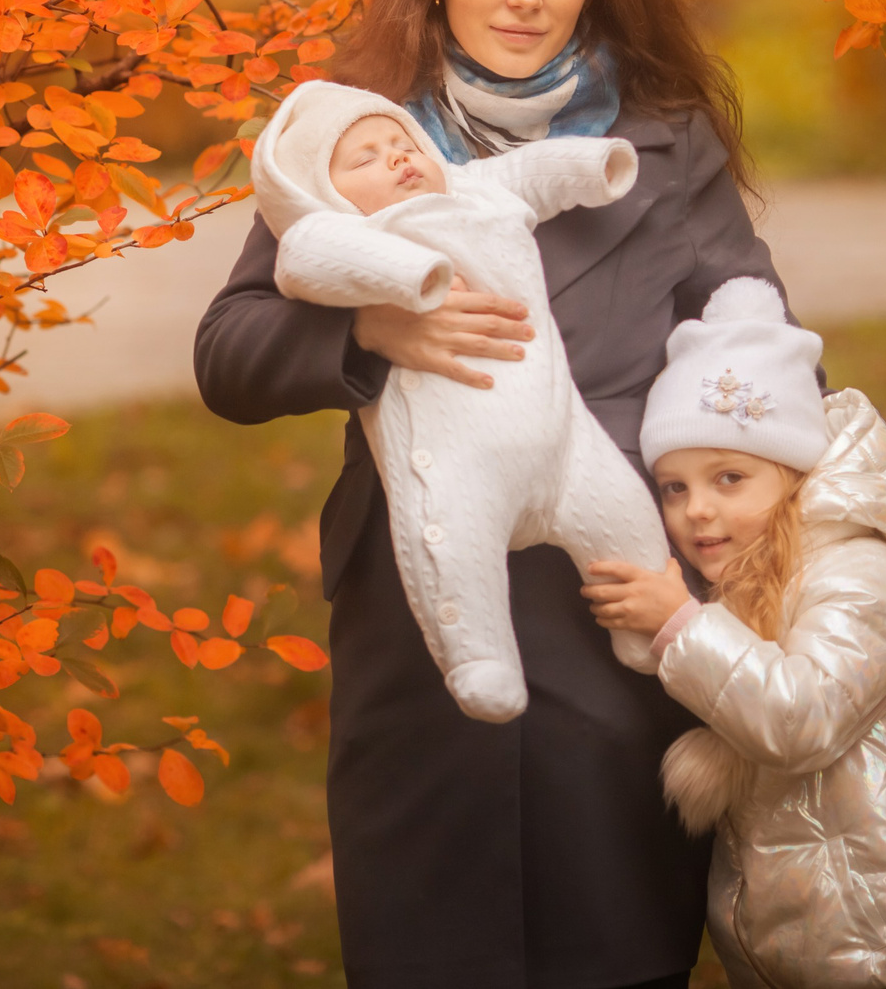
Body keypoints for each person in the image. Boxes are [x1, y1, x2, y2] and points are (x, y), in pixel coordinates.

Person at [190, 0, 886, 989]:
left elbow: (772, 365)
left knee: (609, 948)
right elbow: (228, 350)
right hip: (420, 635)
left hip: (628, 609)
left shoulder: (662, 143)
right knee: (430, 954)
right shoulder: (360, 142)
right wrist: (368, 327)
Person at [582, 276, 886, 989]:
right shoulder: (758, 582)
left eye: (729, 477)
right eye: (675, 487)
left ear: (794, 474)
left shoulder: (856, 572)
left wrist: (679, 626)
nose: (696, 511)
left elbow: (801, 718)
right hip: (827, 946)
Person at [252, 82, 666, 721]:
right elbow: (303, 259)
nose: (396, 158)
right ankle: (481, 659)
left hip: (566, 444)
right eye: (364, 159)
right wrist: (398, 288)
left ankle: (646, 630)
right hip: (452, 459)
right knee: (451, 544)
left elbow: (529, 171)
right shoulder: (339, 229)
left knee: (623, 516)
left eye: (401, 142)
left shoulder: (472, 189)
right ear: (323, 192)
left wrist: (593, 166)